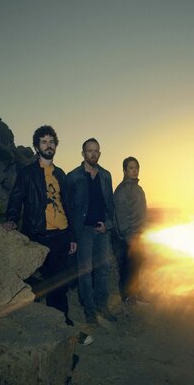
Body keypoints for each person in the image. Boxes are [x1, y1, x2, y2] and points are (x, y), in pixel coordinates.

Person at [4, 126, 77, 327]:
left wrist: (72, 236)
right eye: (44, 142)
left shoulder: (61, 174)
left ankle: (60, 321)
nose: (48, 145)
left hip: (61, 235)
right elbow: (16, 198)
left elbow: (68, 206)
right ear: (37, 146)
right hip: (39, 234)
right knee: (37, 282)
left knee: (59, 283)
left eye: (51, 141)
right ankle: (35, 322)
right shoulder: (27, 173)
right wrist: (11, 218)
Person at [66, 138, 117, 326]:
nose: (93, 154)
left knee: (103, 270)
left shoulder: (106, 175)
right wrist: (73, 235)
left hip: (102, 230)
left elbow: (110, 204)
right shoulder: (73, 177)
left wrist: (108, 224)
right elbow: (69, 208)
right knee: (85, 272)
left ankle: (102, 305)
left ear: (100, 153)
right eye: (89, 151)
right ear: (83, 154)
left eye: (96, 151)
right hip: (84, 232)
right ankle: (89, 311)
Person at [113, 156, 147, 305]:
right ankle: (127, 298)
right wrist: (129, 236)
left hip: (139, 234)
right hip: (128, 236)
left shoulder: (138, 189)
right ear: (125, 171)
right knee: (128, 268)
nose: (135, 171)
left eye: (136, 168)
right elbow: (121, 216)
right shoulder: (122, 190)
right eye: (131, 168)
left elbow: (142, 212)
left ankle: (136, 293)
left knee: (137, 265)